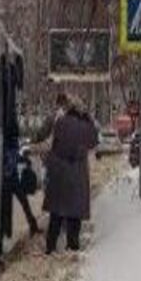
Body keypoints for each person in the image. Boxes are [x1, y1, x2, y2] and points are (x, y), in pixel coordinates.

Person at [43, 92, 99, 253]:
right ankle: (72, 247)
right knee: (74, 214)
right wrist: (88, 118)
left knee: (56, 214)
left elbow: (53, 141)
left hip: (59, 174)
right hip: (76, 175)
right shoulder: (86, 127)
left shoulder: (60, 122)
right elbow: (94, 141)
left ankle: (50, 247)